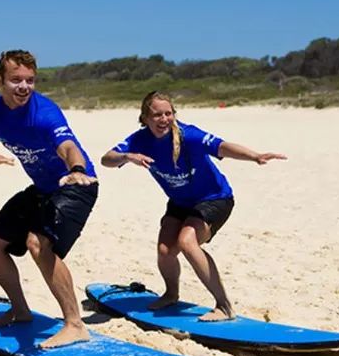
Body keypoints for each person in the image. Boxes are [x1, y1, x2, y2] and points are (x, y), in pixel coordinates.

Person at [0, 50, 99, 348]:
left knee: (37, 244)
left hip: (76, 185)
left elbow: (67, 146)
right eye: (16, 80)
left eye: (30, 80)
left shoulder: (44, 113)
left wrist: (77, 168)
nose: (24, 87)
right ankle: (20, 310)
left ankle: (75, 324)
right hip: (43, 188)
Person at [101, 91, 286, 322]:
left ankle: (224, 306)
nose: (164, 119)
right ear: (145, 118)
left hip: (215, 198)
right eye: (157, 115)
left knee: (187, 242)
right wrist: (128, 157)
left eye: (168, 113)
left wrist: (255, 156)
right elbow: (106, 159)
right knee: (165, 251)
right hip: (180, 202)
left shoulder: (189, 135)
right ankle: (171, 294)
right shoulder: (140, 141)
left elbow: (223, 147)